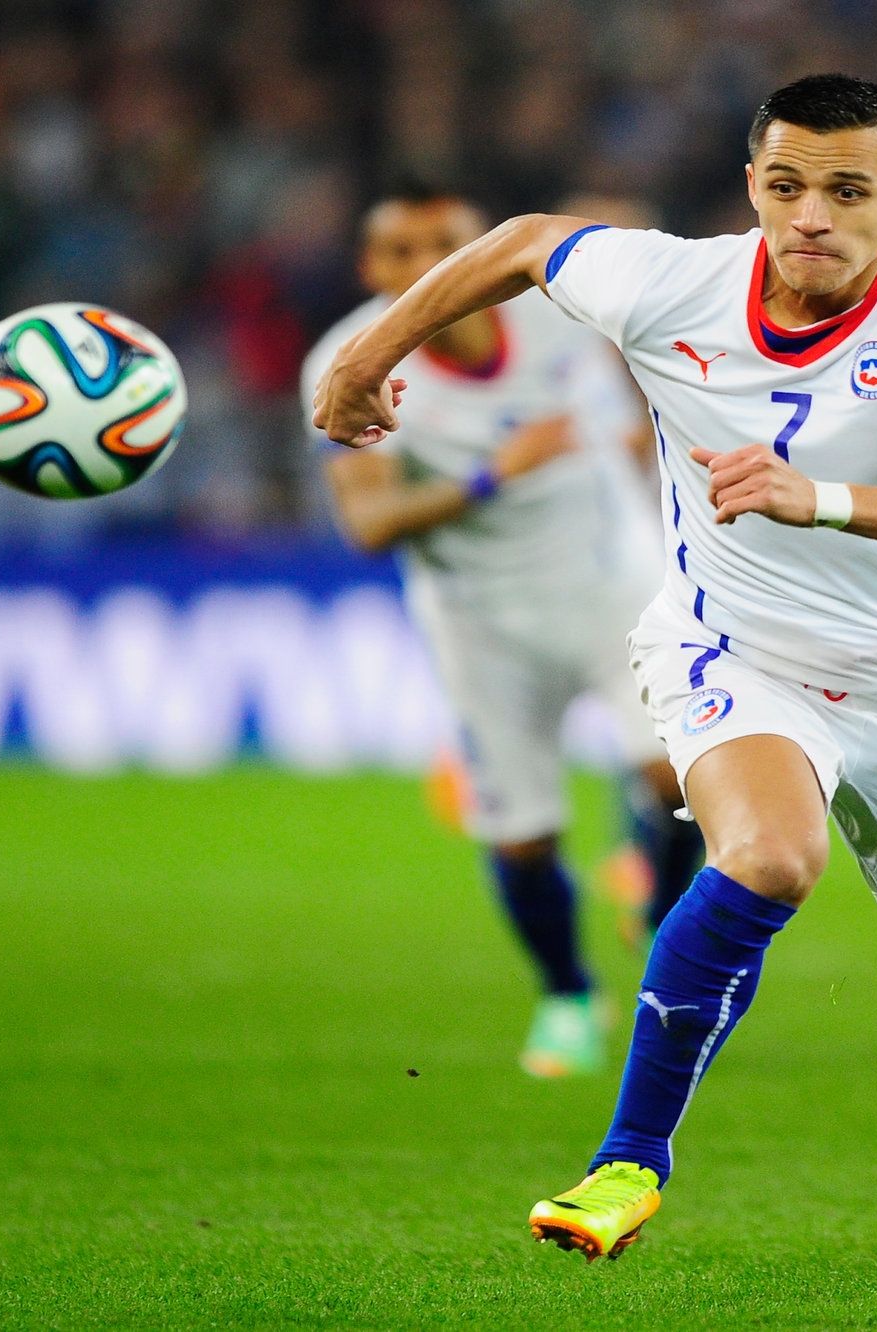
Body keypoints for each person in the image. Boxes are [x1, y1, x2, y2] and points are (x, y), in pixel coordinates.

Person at [314, 75, 877, 1305]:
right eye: (784, 185)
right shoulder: (677, 282)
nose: (810, 215)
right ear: (753, 187)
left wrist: (812, 495)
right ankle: (626, 1162)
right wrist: (366, 356)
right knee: (769, 856)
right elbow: (515, 247)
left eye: (846, 189)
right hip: (733, 646)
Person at [300, 182, 705, 1078]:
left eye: (445, 243)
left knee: (681, 774)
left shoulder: (558, 315)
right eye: (402, 252)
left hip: (617, 586)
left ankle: (660, 949)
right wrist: (494, 475)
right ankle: (566, 994)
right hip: (482, 621)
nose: (426, 267)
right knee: (523, 837)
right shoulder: (352, 362)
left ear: (480, 243)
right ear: (373, 269)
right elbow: (370, 526)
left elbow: (636, 388)